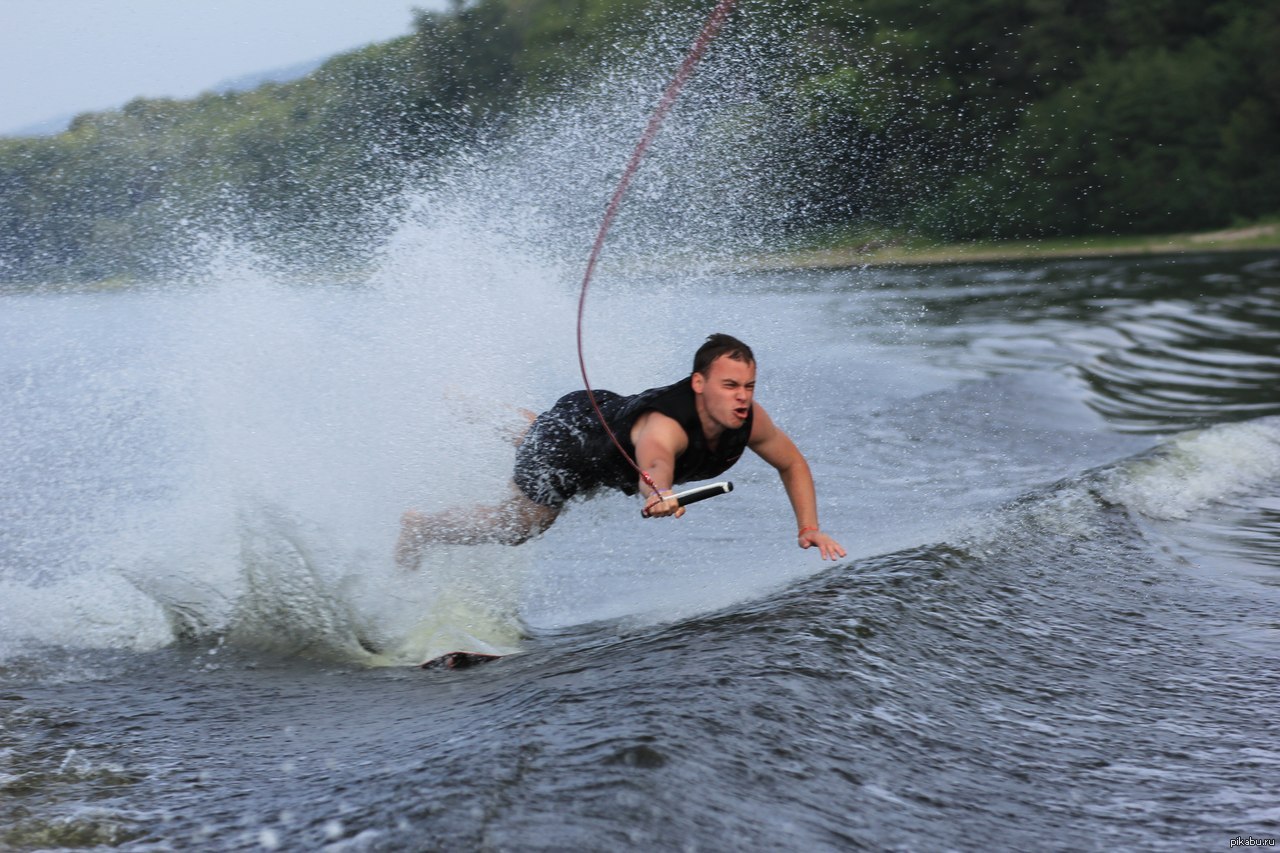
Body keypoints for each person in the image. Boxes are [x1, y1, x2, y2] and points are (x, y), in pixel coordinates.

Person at [397, 333, 846, 566]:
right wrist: (658, 494)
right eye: (730, 386)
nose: (742, 397)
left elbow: (792, 463)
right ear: (699, 384)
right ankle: (422, 527)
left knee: (544, 431)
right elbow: (655, 461)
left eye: (748, 386)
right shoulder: (665, 426)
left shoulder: (749, 418)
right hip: (569, 448)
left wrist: (809, 526)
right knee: (522, 525)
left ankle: (479, 410)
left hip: (593, 420)